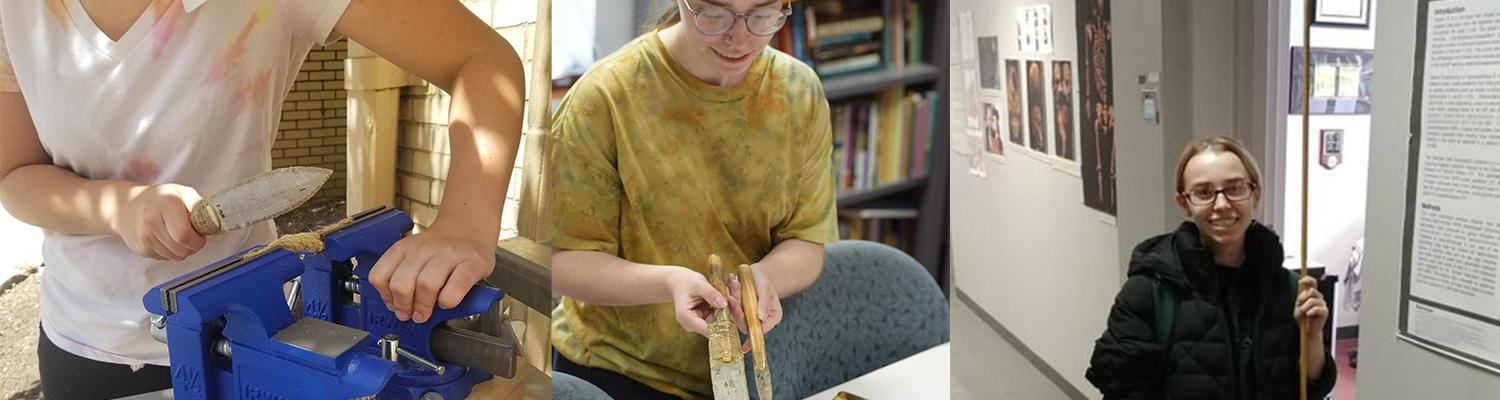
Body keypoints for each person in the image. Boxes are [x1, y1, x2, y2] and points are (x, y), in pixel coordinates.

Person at [0, 1, 525, 398]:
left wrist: (464, 225)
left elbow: (480, 59)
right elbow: (15, 174)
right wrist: (117, 207)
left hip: (254, 338)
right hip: (81, 342)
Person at [546, 0, 837, 398]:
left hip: (748, 364)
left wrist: (764, 279)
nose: (739, 37)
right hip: (619, 370)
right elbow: (563, 263)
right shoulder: (604, 98)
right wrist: (668, 283)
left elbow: (806, 241)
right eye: (714, 14)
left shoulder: (799, 92)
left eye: (763, 15)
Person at [1086, 136, 1337, 399]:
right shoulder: (1151, 290)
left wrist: (1313, 336)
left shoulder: (1288, 289)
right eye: (1204, 192)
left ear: (1256, 194)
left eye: (1235, 188)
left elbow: (1311, 390)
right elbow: (1121, 387)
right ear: (1184, 203)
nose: (1221, 205)